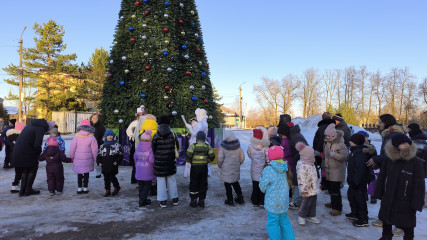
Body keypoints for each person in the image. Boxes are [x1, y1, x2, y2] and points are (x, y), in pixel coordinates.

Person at [374, 133, 425, 240]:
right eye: (403, 143)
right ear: (395, 145)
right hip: (389, 196)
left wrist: (417, 202)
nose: (407, 145)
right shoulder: (389, 160)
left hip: (406, 199)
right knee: (386, 219)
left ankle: (408, 238)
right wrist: (378, 193)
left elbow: (419, 185)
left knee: (407, 223)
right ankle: (386, 236)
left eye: (408, 143)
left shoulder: (416, 162)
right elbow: (382, 177)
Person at [366, 114, 408, 235]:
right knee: (387, 195)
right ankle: (384, 218)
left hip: (397, 171)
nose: (378, 124)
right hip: (389, 169)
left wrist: (378, 159)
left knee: (396, 198)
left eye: (380, 122)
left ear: (387, 123)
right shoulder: (388, 134)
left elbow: (394, 155)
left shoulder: (393, 135)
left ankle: (400, 226)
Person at [259, 145, 295, 240]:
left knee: (273, 224)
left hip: (272, 203)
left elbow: (262, 186)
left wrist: (264, 188)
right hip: (283, 202)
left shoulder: (268, 169)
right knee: (284, 222)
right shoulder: (285, 167)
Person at [13, 119, 52, 196]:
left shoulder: (30, 126)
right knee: (32, 168)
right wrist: (38, 153)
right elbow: (37, 144)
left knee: (25, 169)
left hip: (18, 151)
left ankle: (22, 191)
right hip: (27, 152)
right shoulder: (40, 129)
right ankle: (28, 190)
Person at [152, 115, 179, 208]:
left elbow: (153, 148)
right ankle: (175, 199)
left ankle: (163, 200)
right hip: (170, 160)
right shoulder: (173, 133)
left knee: (160, 180)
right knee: (172, 179)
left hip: (159, 161)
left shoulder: (156, 134)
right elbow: (177, 147)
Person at [346, 133, 371, 227]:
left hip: (358, 182)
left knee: (360, 200)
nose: (349, 142)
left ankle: (363, 219)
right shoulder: (354, 151)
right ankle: (355, 213)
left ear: (355, 142)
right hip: (353, 181)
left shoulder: (360, 153)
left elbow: (360, 169)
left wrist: (356, 181)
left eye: (351, 141)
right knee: (352, 197)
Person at [323, 123, 348, 216]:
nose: (328, 137)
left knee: (335, 190)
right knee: (331, 189)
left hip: (337, 171)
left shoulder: (341, 144)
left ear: (334, 136)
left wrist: (335, 155)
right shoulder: (327, 143)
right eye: (327, 136)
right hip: (329, 170)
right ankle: (333, 203)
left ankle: (337, 208)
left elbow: (344, 157)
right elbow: (325, 156)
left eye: (330, 136)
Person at [186, 131, 215, 208]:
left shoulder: (193, 146)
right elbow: (212, 155)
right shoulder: (207, 146)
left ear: (197, 138)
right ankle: (201, 201)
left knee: (194, 183)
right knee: (203, 183)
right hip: (204, 167)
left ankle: (193, 200)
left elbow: (188, 154)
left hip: (195, 168)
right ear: (204, 138)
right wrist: (207, 160)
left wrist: (190, 161)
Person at [70, 119, 98, 194]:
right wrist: (95, 158)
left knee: (79, 173)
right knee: (86, 173)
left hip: (78, 157)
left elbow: (72, 147)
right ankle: (85, 187)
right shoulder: (92, 137)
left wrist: (72, 156)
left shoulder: (76, 136)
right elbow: (95, 149)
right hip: (88, 158)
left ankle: (79, 187)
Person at [295, 142, 321, 226]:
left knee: (313, 202)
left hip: (313, 187)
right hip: (306, 189)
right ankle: (301, 216)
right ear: (307, 155)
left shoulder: (311, 163)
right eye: (312, 154)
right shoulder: (302, 165)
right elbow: (301, 179)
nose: (314, 155)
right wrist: (303, 190)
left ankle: (311, 215)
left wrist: (317, 185)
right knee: (305, 203)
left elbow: (314, 175)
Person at [218, 130, 245, 206]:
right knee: (235, 182)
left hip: (226, 168)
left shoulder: (223, 147)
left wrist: (220, 165)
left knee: (227, 184)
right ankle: (240, 197)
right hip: (236, 167)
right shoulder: (238, 146)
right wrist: (239, 163)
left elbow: (220, 158)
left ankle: (230, 200)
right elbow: (242, 157)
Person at [287, 122, 309, 210]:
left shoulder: (296, 136)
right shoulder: (294, 135)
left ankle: (297, 202)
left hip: (302, 161)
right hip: (300, 161)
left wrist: (295, 157)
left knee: (298, 180)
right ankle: (297, 199)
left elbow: (302, 150)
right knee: (297, 180)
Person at [247, 127, 270, 207]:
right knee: (262, 185)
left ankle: (254, 201)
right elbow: (268, 158)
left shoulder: (250, 146)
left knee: (255, 185)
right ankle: (261, 201)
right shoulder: (265, 147)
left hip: (254, 169)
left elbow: (249, 155)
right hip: (263, 170)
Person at [313, 112, 335, 190]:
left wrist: (316, 150)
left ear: (323, 118)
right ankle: (331, 185)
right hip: (333, 150)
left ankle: (324, 184)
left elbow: (317, 140)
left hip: (322, 151)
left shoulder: (321, 127)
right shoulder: (334, 126)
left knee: (324, 167)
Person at [97, 130, 123, 197]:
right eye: (108, 135)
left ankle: (116, 187)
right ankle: (107, 190)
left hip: (113, 164)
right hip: (104, 164)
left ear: (113, 136)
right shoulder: (102, 146)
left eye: (111, 135)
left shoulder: (117, 145)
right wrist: (99, 162)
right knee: (106, 178)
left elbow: (120, 155)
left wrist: (117, 161)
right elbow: (99, 155)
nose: (110, 137)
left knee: (112, 177)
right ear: (105, 137)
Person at [134, 129, 155, 207]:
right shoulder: (150, 149)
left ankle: (141, 199)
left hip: (139, 169)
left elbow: (135, 157)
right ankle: (142, 201)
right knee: (147, 186)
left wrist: (137, 164)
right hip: (147, 170)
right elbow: (151, 160)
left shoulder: (138, 148)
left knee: (141, 186)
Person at [358, 130, 378, 204]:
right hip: (362, 167)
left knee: (371, 182)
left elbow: (375, 156)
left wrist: (374, 162)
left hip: (370, 167)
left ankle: (373, 196)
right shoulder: (358, 147)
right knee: (363, 182)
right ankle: (365, 195)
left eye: (366, 137)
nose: (366, 138)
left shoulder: (371, 147)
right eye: (364, 137)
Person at [126, 108, 146, 184]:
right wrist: (132, 136)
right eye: (139, 115)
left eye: (142, 115)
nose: (141, 117)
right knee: (136, 162)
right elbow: (128, 130)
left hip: (144, 145)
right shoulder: (134, 123)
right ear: (137, 116)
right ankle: (135, 179)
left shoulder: (146, 123)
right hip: (136, 145)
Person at [7, 121, 25, 193]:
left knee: (18, 172)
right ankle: (15, 186)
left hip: (13, 157)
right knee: (20, 172)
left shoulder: (12, 136)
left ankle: (15, 186)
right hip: (20, 157)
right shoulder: (20, 137)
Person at [90, 113, 106, 178]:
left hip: (98, 145)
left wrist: (100, 142)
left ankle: (98, 172)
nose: (95, 119)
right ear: (91, 119)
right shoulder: (88, 127)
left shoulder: (101, 127)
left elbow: (104, 136)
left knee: (98, 159)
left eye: (96, 118)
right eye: (93, 118)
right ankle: (85, 172)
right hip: (89, 145)